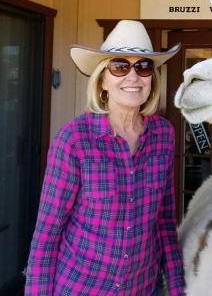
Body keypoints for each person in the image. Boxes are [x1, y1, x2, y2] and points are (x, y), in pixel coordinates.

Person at [25, 20, 185, 295]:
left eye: (143, 67)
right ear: (102, 80)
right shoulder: (74, 139)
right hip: (80, 287)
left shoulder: (163, 135)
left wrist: (177, 286)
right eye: (120, 66)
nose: (133, 77)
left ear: (152, 78)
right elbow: (47, 233)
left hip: (141, 287)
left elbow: (165, 221)